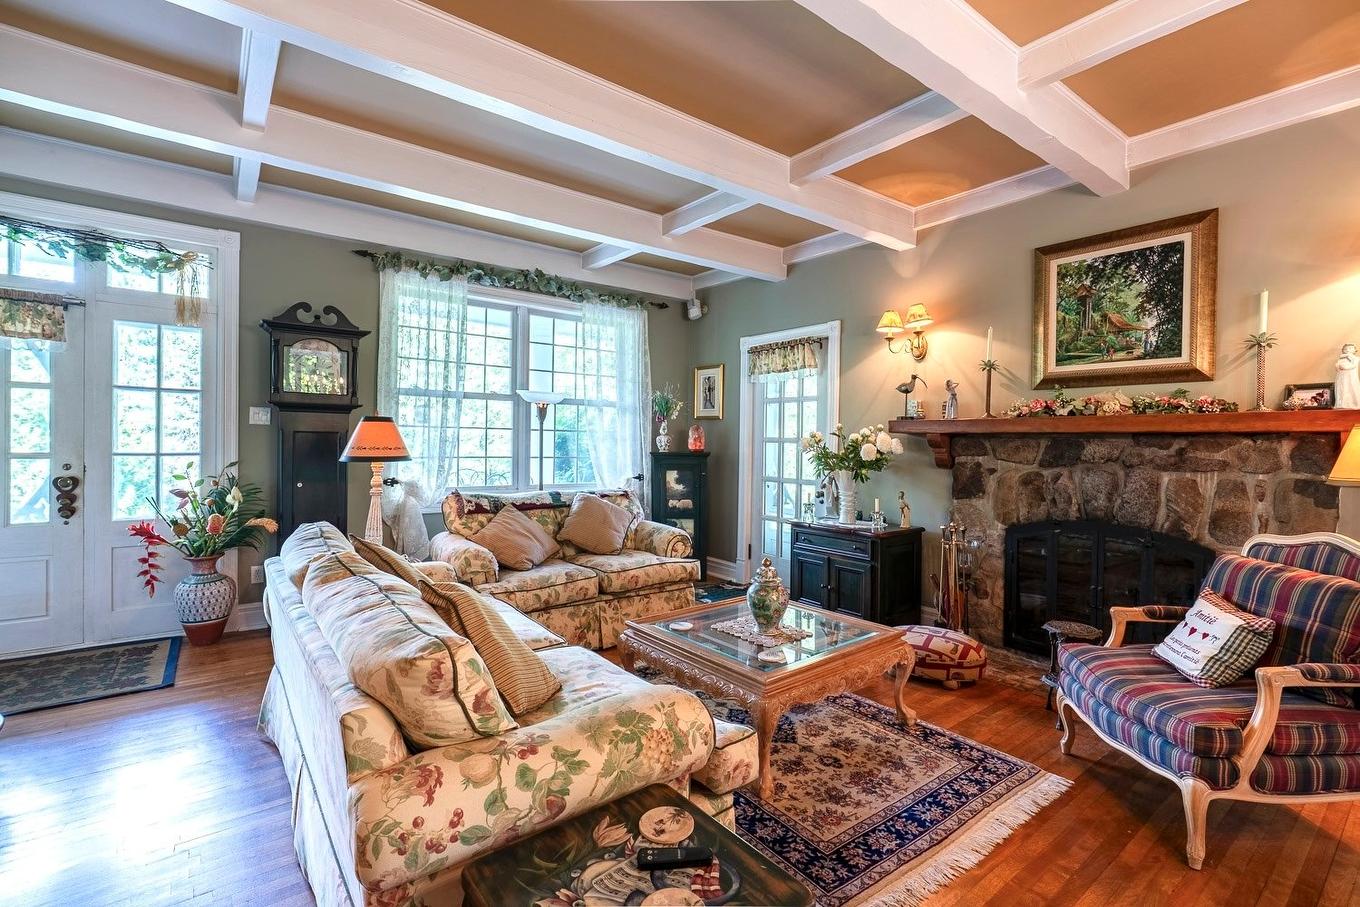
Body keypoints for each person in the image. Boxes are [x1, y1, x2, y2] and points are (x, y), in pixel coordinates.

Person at [1337, 343, 1360, 409]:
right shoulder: (1341, 358)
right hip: (1342, 377)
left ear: (1355, 350)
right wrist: (1338, 366)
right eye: (1345, 349)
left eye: (1350, 348)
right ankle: (1342, 403)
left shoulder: (1356, 358)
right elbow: (1338, 366)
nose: (1347, 350)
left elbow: (1352, 365)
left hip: (1351, 377)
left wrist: (1343, 366)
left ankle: (1354, 403)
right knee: (1343, 388)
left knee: (1351, 388)